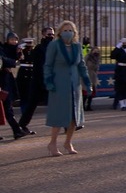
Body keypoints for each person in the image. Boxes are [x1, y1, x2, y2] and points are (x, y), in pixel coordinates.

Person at [44, 20, 91, 156]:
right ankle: (52, 143)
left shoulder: (77, 46)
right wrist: (49, 81)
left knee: (74, 116)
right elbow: (48, 65)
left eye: (70, 30)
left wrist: (87, 83)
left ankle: (68, 142)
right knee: (59, 115)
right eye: (65, 30)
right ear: (60, 32)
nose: (68, 33)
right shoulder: (54, 46)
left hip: (74, 85)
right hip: (59, 84)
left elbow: (82, 66)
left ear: (74, 33)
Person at [18, 27, 55, 134]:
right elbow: (39, 67)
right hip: (39, 82)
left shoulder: (53, 47)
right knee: (31, 105)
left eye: (52, 34)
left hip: (48, 80)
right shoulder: (39, 48)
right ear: (43, 35)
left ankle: (67, 125)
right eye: (49, 35)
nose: (51, 36)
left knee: (56, 104)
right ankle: (22, 125)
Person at [16, 38, 34, 114]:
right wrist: (20, 49)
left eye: (30, 43)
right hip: (23, 73)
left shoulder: (34, 51)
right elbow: (18, 58)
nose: (29, 45)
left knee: (30, 95)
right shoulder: (22, 51)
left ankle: (28, 112)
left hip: (32, 73)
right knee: (23, 95)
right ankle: (24, 111)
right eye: (27, 43)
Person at [83, 46, 100, 111]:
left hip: (93, 76)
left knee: (92, 92)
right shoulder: (88, 57)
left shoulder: (97, 59)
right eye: (94, 51)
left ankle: (89, 105)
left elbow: (97, 68)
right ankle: (83, 105)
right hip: (87, 74)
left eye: (97, 51)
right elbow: (83, 64)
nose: (96, 52)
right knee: (85, 92)